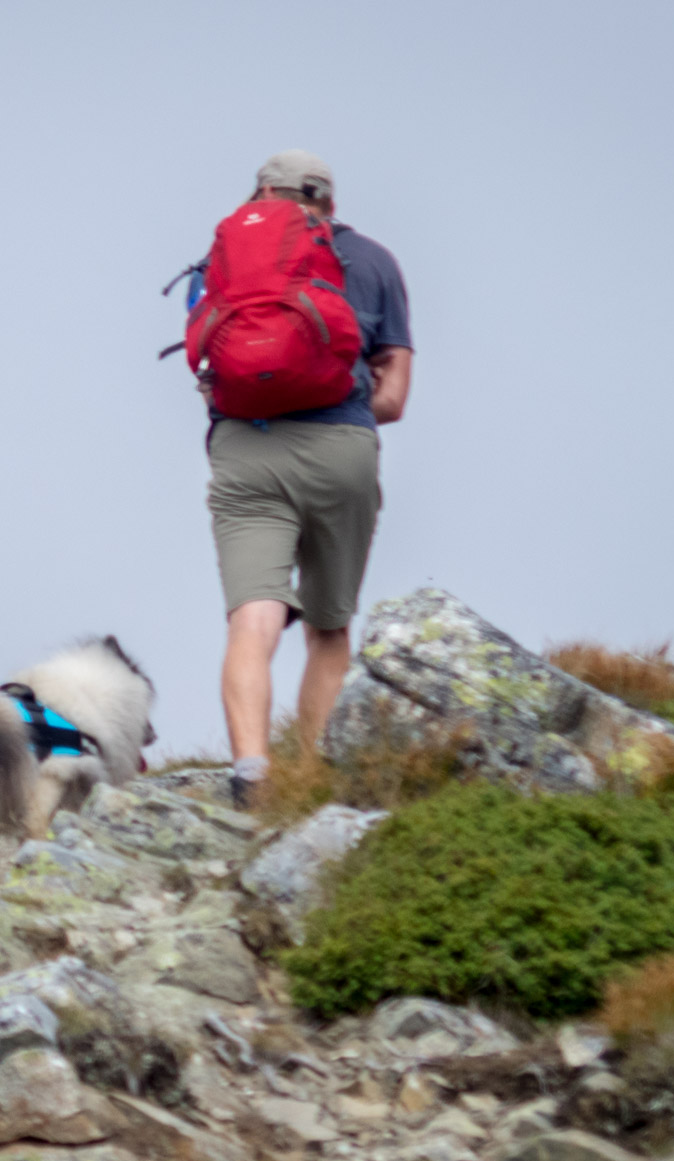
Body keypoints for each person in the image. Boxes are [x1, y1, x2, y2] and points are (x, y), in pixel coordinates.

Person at [202, 149, 413, 805]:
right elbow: (395, 400)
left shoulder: (224, 257)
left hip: (246, 449)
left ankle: (252, 770)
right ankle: (310, 780)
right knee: (328, 628)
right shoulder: (374, 262)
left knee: (252, 620)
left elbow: (207, 375)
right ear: (330, 202)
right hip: (340, 445)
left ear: (260, 194)